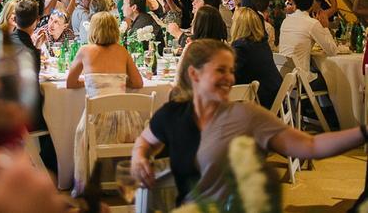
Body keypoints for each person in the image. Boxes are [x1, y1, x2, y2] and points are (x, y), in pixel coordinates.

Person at [131, 39, 366, 207]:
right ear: (194, 75)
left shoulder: (247, 116)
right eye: (221, 70)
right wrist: (139, 156)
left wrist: (363, 132)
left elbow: (310, 147)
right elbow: (144, 141)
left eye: (231, 71)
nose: (230, 78)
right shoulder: (173, 114)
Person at [67, 12, 144, 194]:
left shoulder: (85, 51)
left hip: (97, 125)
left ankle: (87, 185)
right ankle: (127, 187)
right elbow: (138, 83)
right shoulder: (122, 51)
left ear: (93, 30)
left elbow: (70, 83)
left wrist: (89, 81)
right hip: (127, 124)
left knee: (80, 132)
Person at [10, 0, 57, 173]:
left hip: (8, 104)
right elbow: (32, 87)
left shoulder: (8, 39)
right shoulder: (29, 50)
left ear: (15, 19)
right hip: (25, 114)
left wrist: (35, 46)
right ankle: (51, 168)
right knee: (57, 118)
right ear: (36, 21)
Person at [279, 0, 337, 84]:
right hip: (301, 80)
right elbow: (332, 51)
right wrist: (325, 27)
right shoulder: (312, 23)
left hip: (283, 76)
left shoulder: (286, 21)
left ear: (294, 3)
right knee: (334, 79)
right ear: (312, 4)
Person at [230, 7, 281, 109]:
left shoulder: (241, 47)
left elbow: (230, 75)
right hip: (275, 96)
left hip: (258, 102)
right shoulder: (262, 43)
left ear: (238, 25)